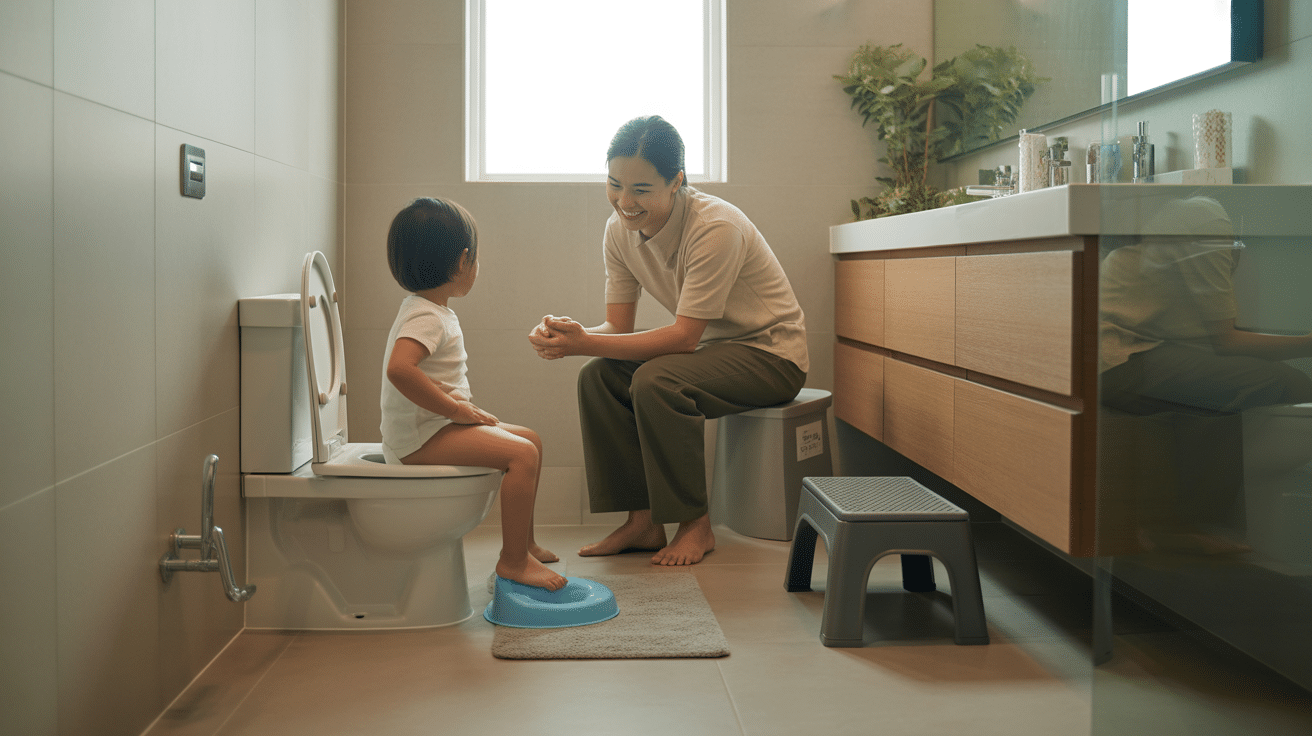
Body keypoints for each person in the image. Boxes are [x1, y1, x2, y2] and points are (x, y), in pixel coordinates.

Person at [528, 115, 809, 566]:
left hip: (771, 355)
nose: (624, 201)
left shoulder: (715, 227)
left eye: (641, 190)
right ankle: (643, 522)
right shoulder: (618, 231)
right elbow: (616, 329)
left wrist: (586, 342)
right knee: (599, 376)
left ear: (676, 181)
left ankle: (696, 525)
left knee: (657, 381)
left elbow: (682, 338)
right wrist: (572, 336)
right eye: (614, 184)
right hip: (712, 353)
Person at [381, 197, 565, 591]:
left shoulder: (427, 308)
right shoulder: (427, 316)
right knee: (523, 453)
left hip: (433, 427)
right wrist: (456, 410)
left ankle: (525, 544)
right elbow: (399, 369)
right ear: (463, 261)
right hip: (421, 439)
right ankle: (513, 561)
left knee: (528, 439)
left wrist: (455, 410)